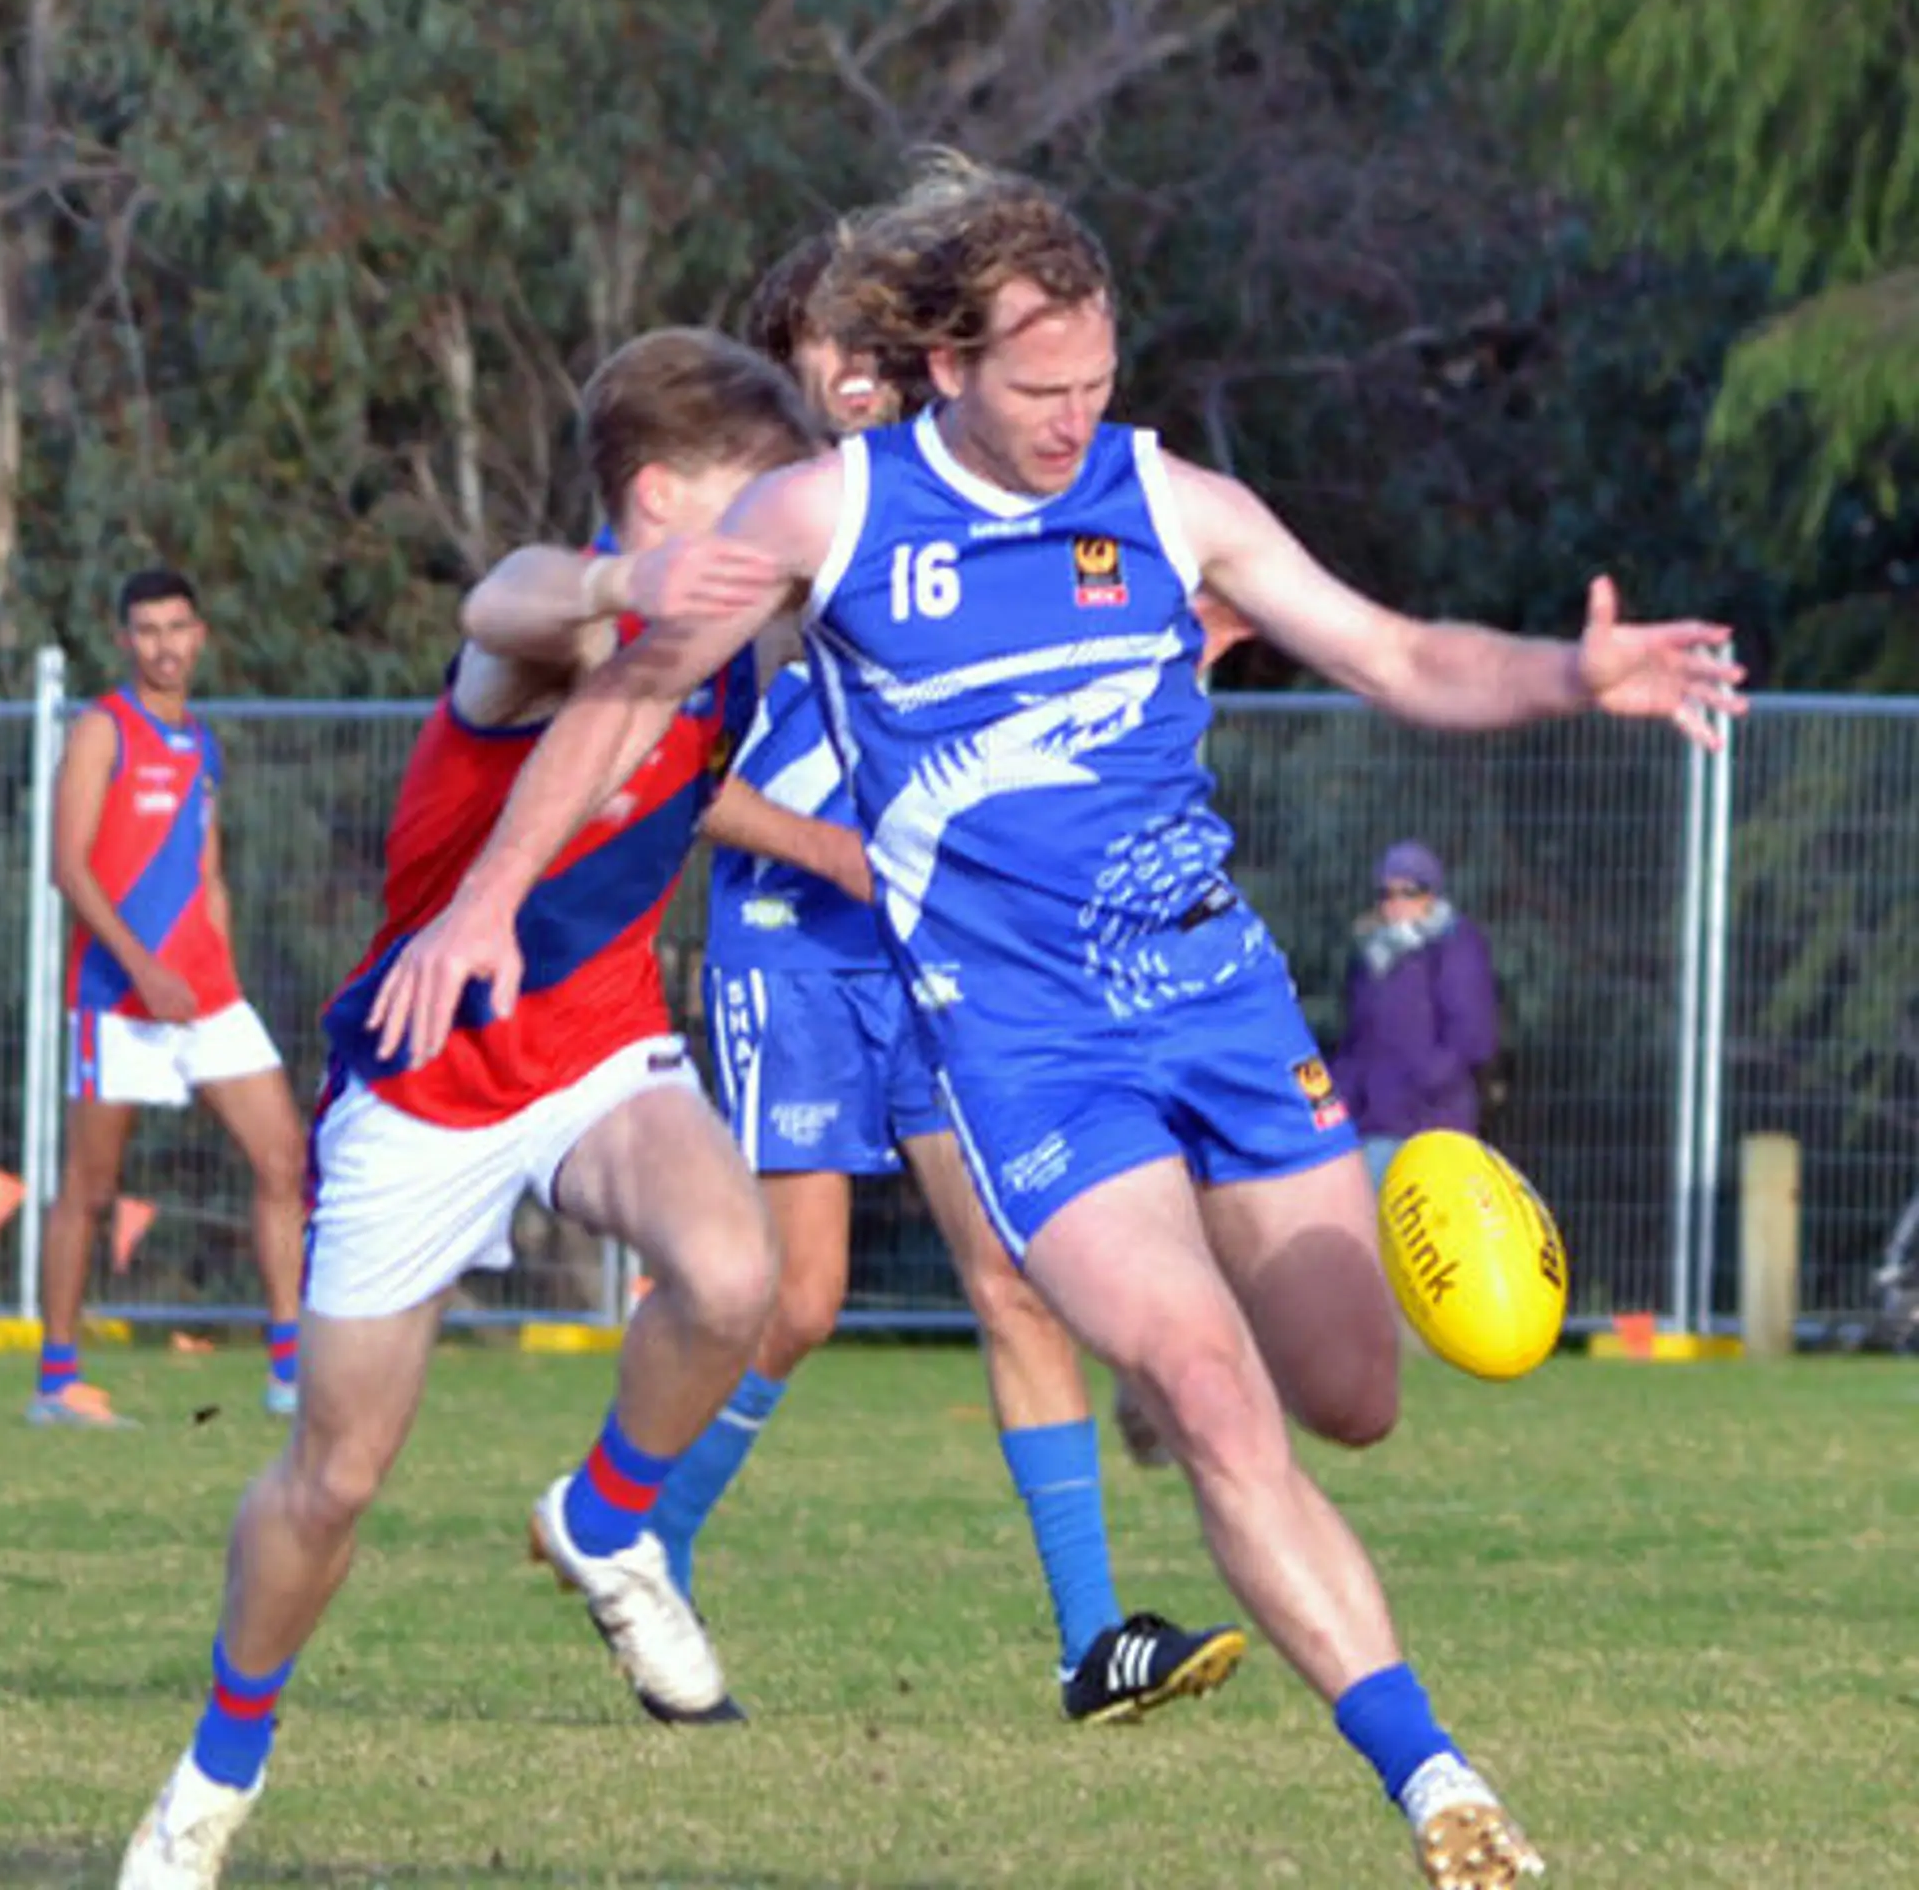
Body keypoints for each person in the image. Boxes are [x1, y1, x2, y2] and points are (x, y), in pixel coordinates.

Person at [366, 154, 1746, 1889]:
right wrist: (488, 896)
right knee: (1199, 1385)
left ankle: (1368, 1218)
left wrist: (1567, 673)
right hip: (1029, 1055)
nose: (1069, 419)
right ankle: (1440, 1786)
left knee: (1349, 1397)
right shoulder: (832, 512)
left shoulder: (1166, 501)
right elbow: (622, 677)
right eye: (1037, 390)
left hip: (1219, 1005)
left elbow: (1393, 655)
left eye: (1093, 384)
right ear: (945, 366)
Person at [117, 330, 838, 1888]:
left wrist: (836, 852)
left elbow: (678, 776)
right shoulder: (558, 626)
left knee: (732, 1275)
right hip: (427, 1079)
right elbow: (495, 599)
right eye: (757, 497)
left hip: (597, 1054)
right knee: (339, 1477)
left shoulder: (730, 646)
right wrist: (610, 589)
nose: (790, 527)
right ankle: (217, 1769)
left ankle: (605, 1515)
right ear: (658, 500)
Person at [654, 232, 1244, 1724]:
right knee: (796, 1301)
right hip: (792, 948)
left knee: (1015, 1282)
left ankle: (1092, 1641)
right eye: (824, 352)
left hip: (943, 961)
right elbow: (676, 779)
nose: (852, 377)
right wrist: (832, 854)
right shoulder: (779, 538)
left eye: (871, 350)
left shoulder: (967, 519)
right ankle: (641, 1537)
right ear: (783, 365)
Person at [29, 569, 308, 1429]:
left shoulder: (204, 744)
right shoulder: (101, 731)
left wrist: (212, 958)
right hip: (120, 997)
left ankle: (291, 1374)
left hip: (206, 996)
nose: (164, 644)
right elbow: (67, 866)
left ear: (201, 634)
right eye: (146, 629)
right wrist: (144, 968)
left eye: (177, 627)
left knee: (283, 1160)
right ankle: (57, 1381)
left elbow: (206, 866)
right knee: (91, 1185)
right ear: (126, 640)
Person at [1330, 842, 1500, 1191]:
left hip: (1433, 1124)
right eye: (1386, 893)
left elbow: (1473, 1037)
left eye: (1409, 891)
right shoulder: (1371, 956)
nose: (1396, 903)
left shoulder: (1455, 947)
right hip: (1373, 1121)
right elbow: (1358, 1041)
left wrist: (1429, 1078)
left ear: (1431, 895)